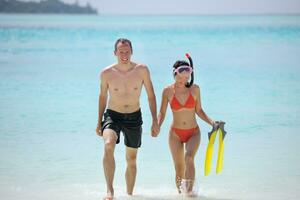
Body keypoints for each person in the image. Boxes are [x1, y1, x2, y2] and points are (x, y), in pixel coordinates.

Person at [96, 38, 160, 200]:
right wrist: (99, 121)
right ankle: (109, 191)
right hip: (113, 115)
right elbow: (103, 97)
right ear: (115, 53)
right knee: (109, 144)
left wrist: (155, 121)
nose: (124, 54)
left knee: (131, 159)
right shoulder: (106, 73)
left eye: (127, 51)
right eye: (120, 51)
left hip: (134, 117)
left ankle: (130, 195)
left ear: (131, 52)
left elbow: (151, 96)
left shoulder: (142, 70)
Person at [157, 54, 216, 195]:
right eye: (181, 77)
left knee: (189, 158)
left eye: (187, 78)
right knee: (179, 167)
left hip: (193, 132)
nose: (184, 80)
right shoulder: (167, 91)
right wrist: (157, 125)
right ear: (174, 74)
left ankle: (189, 193)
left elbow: (199, 110)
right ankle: (180, 195)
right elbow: (162, 113)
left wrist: (212, 122)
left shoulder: (195, 89)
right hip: (175, 134)